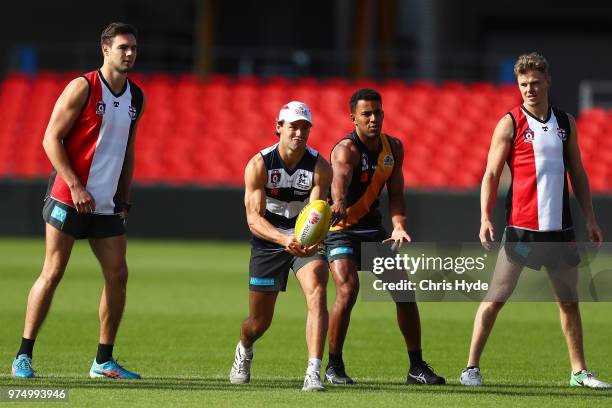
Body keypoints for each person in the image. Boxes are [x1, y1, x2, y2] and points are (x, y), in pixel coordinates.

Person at [460, 52, 610, 388]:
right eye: (524, 84)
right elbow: (490, 174)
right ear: (518, 85)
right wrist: (485, 216)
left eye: (535, 83)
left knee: (569, 302)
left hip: (561, 231)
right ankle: (471, 368)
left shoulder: (565, 122)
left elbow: (578, 172)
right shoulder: (510, 123)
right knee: (496, 297)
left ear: (547, 82)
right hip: (522, 230)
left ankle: (578, 372)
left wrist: (591, 218)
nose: (529, 89)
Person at [11, 22, 145, 380]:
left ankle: (103, 361)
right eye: (122, 47)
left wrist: (125, 198)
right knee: (53, 272)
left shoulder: (136, 97)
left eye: (133, 47)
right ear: (105, 49)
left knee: (118, 275)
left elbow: (128, 152)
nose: (129, 53)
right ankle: (23, 355)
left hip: (105, 205)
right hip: (68, 199)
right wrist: (74, 185)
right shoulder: (82, 87)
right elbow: (50, 139)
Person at [324, 88, 445, 385]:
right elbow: (339, 178)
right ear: (353, 117)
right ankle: (334, 366)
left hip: (372, 230)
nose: (374, 118)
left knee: (404, 292)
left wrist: (399, 225)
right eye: (366, 114)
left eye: (378, 112)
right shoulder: (346, 150)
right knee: (348, 289)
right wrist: (337, 202)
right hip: (341, 230)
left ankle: (416, 367)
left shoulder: (394, 149)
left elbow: (397, 195)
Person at [229, 101, 332, 392]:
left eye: (305, 127)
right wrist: (284, 239)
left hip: (304, 241)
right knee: (258, 323)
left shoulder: (320, 167)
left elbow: (317, 212)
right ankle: (245, 347)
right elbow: (253, 220)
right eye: (293, 126)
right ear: (279, 128)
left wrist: (312, 241)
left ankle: (313, 371)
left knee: (318, 290)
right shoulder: (259, 165)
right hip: (269, 240)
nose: (299, 133)